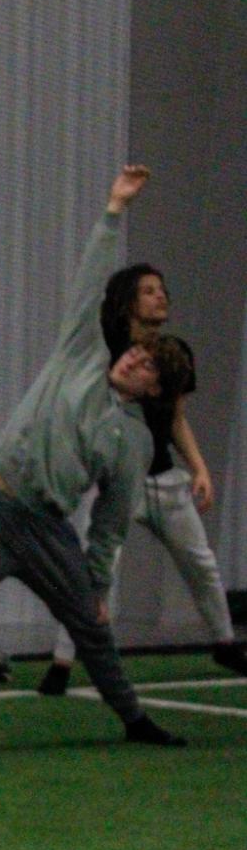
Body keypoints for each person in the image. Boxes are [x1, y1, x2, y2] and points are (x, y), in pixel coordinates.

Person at [0, 166, 194, 744]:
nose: (134, 361)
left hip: (48, 531)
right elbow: (91, 277)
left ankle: (134, 719)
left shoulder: (136, 442)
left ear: (155, 390)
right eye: (137, 354)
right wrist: (113, 209)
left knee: (92, 629)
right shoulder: (82, 351)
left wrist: (97, 588)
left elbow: (110, 522)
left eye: (148, 366)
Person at [37, 258, 247, 692]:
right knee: (97, 570)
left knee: (201, 564)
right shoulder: (110, 353)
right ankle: (62, 662)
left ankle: (225, 642)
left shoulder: (174, 353)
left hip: (166, 481)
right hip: (119, 481)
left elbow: (175, 418)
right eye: (150, 290)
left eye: (163, 289)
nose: (161, 296)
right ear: (129, 301)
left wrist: (200, 467)